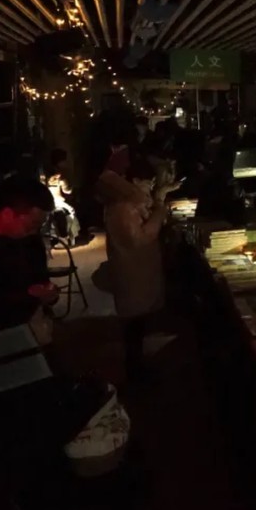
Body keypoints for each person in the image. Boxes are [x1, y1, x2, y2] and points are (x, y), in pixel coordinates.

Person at [104, 159, 180, 379]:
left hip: (138, 270)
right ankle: (136, 373)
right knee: (133, 326)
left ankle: (139, 367)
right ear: (135, 181)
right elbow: (141, 238)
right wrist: (159, 213)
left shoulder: (130, 201)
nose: (150, 187)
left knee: (138, 324)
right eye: (148, 183)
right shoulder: (122, 207)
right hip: (131, 271)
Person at [0, 177, 59, 332]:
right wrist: (28, 297)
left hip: (32, 327)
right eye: (32, 224)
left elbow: (42, 279)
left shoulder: (31, 242)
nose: (35, 231)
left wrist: (49, 294)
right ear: (8, 214)